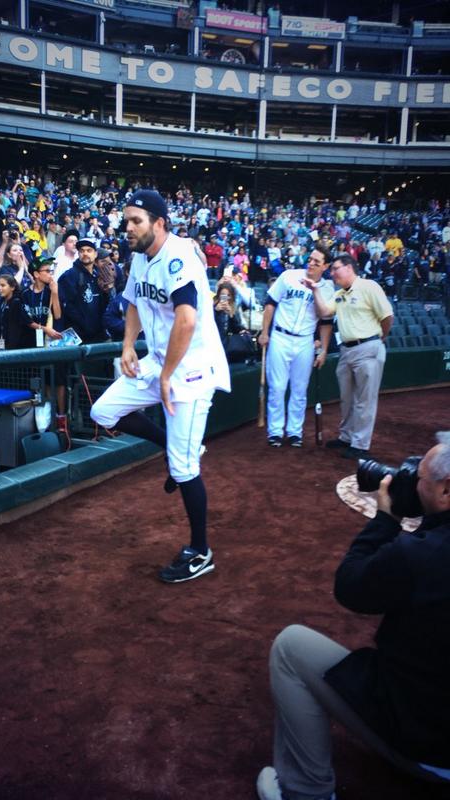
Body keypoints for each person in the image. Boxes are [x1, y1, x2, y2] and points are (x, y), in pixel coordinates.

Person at [257, 432, 450, 800]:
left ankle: (305, 791)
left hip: (431, 749)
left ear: (446, 491)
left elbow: (351, 587)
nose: (408, 480)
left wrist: (386, 519)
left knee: (291, 646)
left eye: (419, 477)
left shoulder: (421, 556)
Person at [90, 190, 230, 584]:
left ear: (159, 223)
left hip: (192, 369)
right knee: (103, 412)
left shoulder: (180, 255)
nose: (128, 227)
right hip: (160, 361)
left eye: (136, 221)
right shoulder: (139, 256)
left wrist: (166, 374)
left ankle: (201, 551)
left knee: (186, 469)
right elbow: (133, 300)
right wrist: (129, 344)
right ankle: (169, 449)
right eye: (126, 220)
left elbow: (186, 319)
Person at [304, 254, 393, 459]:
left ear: (349, 268)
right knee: (347, 398)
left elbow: (387, 316)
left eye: (335, 268)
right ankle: (346, 437)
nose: (332, 273)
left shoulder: (369, 286)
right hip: (346, 350)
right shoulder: (340, 294)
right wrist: (315, 290)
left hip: (368, 346)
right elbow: (325, 311)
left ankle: (360, 444)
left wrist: (380, 338)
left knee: (364, 399)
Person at [259, 245, 334, 448]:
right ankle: (275, 431)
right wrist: (265, 332)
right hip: (280, 337)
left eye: (316, 262)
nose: (311, 263)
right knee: (277, 387)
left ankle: (294, 432)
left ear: (325, 266)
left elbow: (326, 322)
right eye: (310, 259)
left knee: (299, 390)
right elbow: (270, 303)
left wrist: (324, 349)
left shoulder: (327, 289)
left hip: (305, 341)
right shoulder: (289, 276)